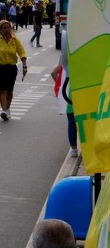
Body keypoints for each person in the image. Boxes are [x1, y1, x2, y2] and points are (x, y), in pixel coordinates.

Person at [0, 19, 27, 121]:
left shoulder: (15, 40)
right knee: (3, 90)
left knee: (9, 90)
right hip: (0, 68)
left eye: (8, 27)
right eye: (4, 28)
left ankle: (8, 108)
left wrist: (24, 66)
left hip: (11, 68)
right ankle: (4, 110)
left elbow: (22, 53)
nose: (7, 30)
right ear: (0, 30)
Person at [52, 30, 79, 158]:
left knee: (71, 122)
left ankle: (73, 149)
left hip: (68, 91)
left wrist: (60, 86)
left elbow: (54, 72)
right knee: (83, 121)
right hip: (83, 91)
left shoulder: (65, 56)